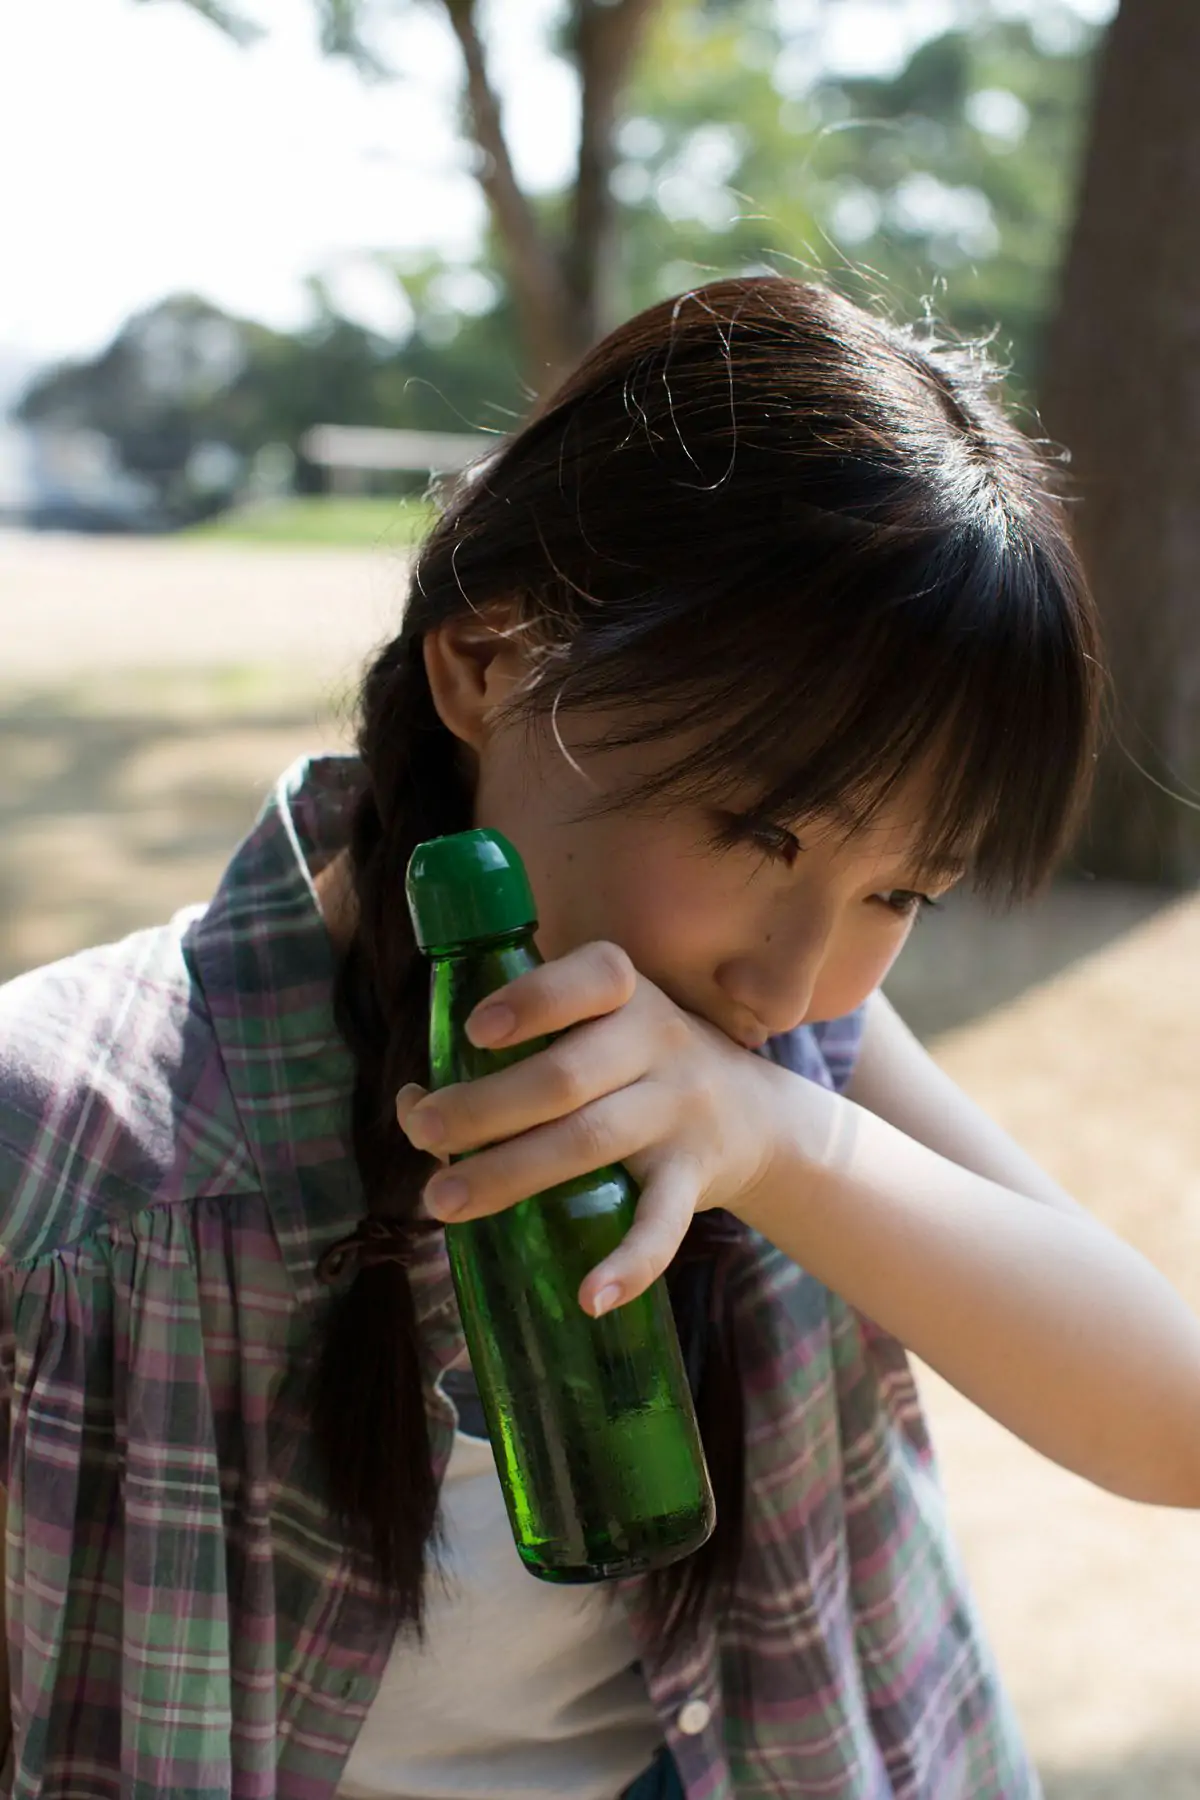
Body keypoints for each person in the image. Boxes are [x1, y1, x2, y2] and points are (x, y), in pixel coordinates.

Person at [2, 276, 1200, 1800]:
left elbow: (1175, 1423)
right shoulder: (70, 1145)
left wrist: (782, 1145)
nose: (790, 973)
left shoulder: (793, 1057)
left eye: (903, 888)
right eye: (760, 831)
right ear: (489, 661)